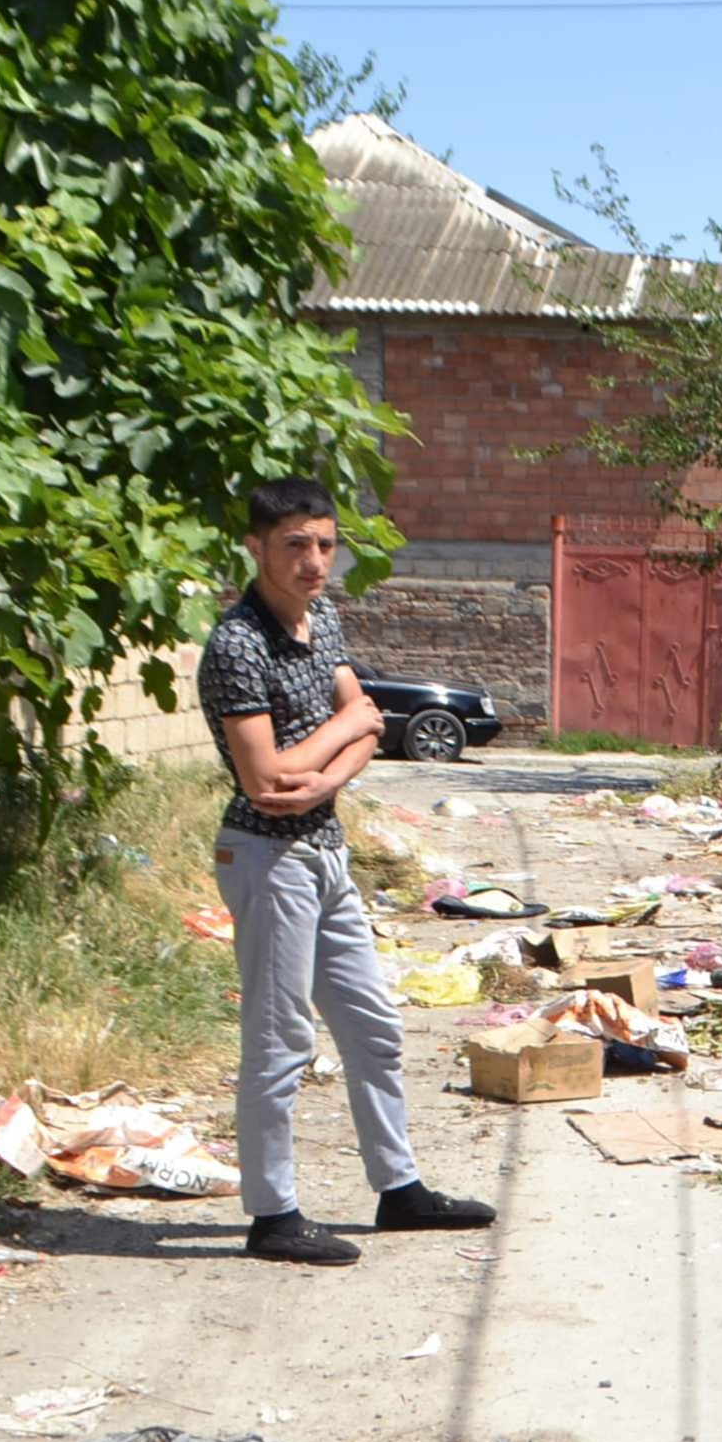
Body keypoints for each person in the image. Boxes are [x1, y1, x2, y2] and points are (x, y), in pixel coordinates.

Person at [196, 476, 496, 1267]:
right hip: (265, 856)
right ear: (256, 547)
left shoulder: (321, 617)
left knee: (373, 1027)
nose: (314, 560)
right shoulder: (237, 645)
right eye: (295, 544)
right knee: (280, 1039)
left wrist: (322, 777)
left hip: (323, 848)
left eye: (325, 544)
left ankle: (400, 1190)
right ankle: (272, 1215)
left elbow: (366, 728)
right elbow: (266, 775)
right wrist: (343, 730)